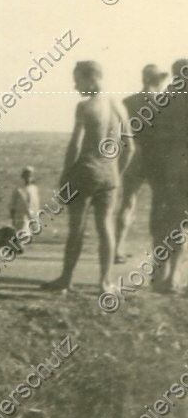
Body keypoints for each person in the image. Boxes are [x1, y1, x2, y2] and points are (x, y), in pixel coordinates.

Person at [43, 61, 133, 295]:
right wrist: (117, 174)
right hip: (109, 175)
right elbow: (130, 147)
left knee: (77, 229)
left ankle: (66, 279)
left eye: (78, 80)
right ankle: (105, 283)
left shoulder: (85, 106)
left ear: (92, 78)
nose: (75, 86)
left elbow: (75, 145)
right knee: (106, 228)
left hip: (85, 172)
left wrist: (64, 175)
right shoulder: (119, 106)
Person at [114, 63, 168, 262]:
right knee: (159, 204)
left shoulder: (128, 102)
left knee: (127, 203)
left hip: (134, 154)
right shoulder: (163, 101)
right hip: (156, 157)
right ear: (157, 80)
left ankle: (117, 248)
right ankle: (158, 253)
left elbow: (121, 133)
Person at [149, 58, 188, 292]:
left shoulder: (169, 98)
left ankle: (165, 275)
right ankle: (174, 276)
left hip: (173, 163)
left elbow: (157, 134)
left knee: (170, 221)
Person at [10, 166, 40, 241]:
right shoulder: (18, 189)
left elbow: (36, 204)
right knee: (20, 236)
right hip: (20, 216)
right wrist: (13, 218)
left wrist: (35, 217)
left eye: (30, 176)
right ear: (23, 176)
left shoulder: (34, 189)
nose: (28, 178)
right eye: (26, 175)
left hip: (31, 216)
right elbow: (12, 204)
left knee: (27, 237)